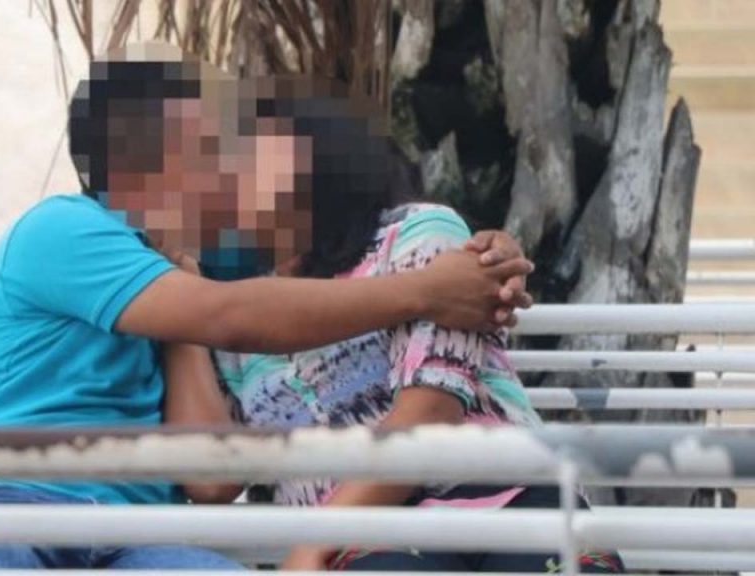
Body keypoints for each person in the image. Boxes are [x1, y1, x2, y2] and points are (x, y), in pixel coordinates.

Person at [0, 45, 534, 570]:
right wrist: (425, 290)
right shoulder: (64, 228)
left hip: (131, 537)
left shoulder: (215, 269)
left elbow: (315, 265)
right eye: (216, 145)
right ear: (151, 161)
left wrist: (489, 258)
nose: (232, 165)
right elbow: (230, 316)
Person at [162, 76, 624, 573]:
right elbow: (213, 481)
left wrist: (316, 542)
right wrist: (181, 306)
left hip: (502, 496)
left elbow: (430, 411)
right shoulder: (236, 311)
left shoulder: (417, 233)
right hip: (367, 545)